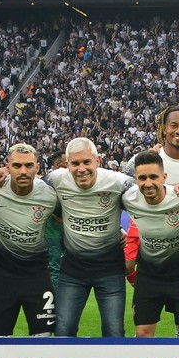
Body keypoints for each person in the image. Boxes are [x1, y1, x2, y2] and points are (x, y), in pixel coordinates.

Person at [48, 137, 134, 337]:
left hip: (110, 268)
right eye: (75, 163)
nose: (81, 168)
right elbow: (30, 189)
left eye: (87, 162)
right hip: (73, 269)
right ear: (66, 164)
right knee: (63, 331)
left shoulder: (117, 182)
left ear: (98, 161)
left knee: (114, 332)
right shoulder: (56, 179)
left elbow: (146, 197)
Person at [121, 151, 179, 337]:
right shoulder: (128, 198)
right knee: (143, 334)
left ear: (164, 177)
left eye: (153, 177)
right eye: (142, 178)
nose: (148, 183)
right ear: (135, 179)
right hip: (148, 277)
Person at [0, 143, 59, 336]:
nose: (23, 171)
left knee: (44, 339)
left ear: (38, 168)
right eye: (17, 165)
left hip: (37, 277)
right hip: (2, 279)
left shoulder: (50, 195)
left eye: (29, 166)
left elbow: (72, 217)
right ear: (7, 166)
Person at [44, 151, 66, 287]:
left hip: (66, 232)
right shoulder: (47, 182)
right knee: (55, 269)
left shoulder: (68, 181)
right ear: (57, 165)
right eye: (65, 164)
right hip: (53, 233)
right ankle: (57, 306)